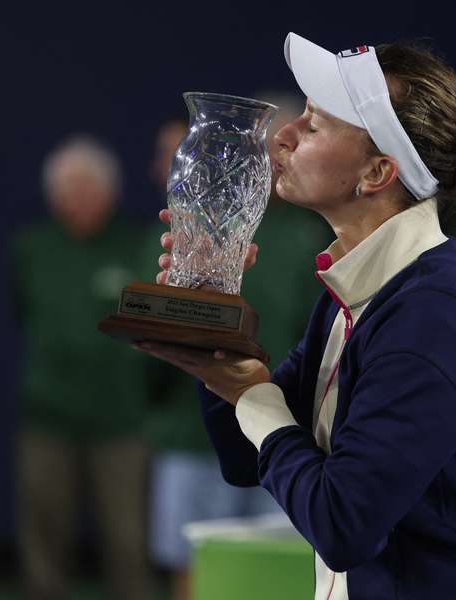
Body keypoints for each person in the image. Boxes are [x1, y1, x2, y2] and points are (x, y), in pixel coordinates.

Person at [136, 33, 456, 598]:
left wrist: (253, 394)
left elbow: (342, 523)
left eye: (312, 125)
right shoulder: (359, 294)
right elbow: (249, 456)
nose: (283, 134)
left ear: (377, 173)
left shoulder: (436, 317)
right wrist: (217, 331)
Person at [144, 107, 330, 600]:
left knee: (282, 570)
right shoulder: (190, 231)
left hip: (283, 427)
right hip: (195, 432)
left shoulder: (311, 239)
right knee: (192, 561)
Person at [12, 136, 152, 600]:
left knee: (128, 538)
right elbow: (22, 310)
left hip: (122, 419)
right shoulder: (32, 247)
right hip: (48, 416)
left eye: (88, 186)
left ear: (110, 192)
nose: (78, 197)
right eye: (68, 188)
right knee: (44, 537)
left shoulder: (136, 246)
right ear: (52, 195)